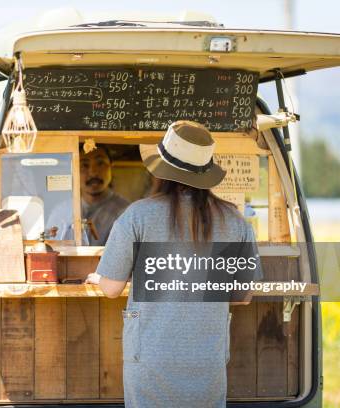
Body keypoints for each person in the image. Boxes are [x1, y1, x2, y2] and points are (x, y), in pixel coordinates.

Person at [85, 121, 262, 407]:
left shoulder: (137, 216)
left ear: (162, 171)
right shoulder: (235, 222)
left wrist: (97, 278)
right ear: (206, 172)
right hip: (207, 358)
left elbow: (111, 289)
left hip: (150, 357)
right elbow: (243, 296)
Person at [79, 144, 129, 245]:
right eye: (84, 165)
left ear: (111, 167)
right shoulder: (62, 211)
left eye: (100, 163)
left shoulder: (126, 212)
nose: (93, 172)